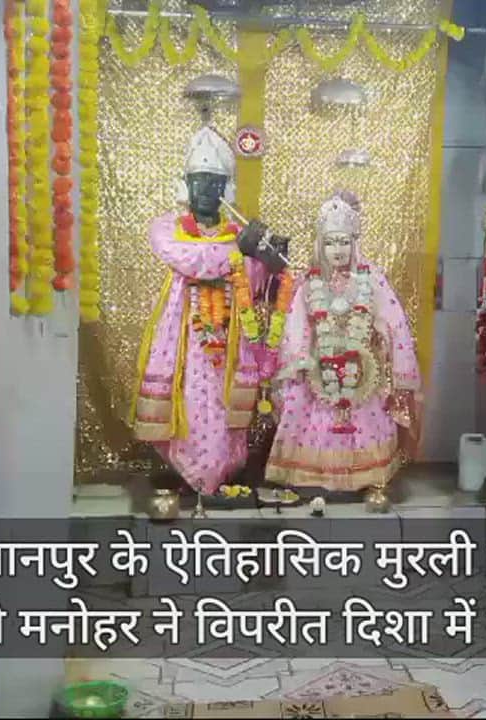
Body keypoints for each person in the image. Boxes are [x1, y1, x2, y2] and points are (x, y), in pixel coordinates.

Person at [127, 126, 287, 495]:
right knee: (192, 406)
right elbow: (192, 260)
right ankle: (194, 478)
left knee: (225, 408)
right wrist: (243, 250)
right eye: (198, 182)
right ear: (185, 185)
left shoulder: (239, 232)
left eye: (214, 183)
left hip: (233, 337)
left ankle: (221, 479)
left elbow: (257, 284)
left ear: (226, 189)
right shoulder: (168, 229)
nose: (205, 191)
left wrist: (271, 258)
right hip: (184, 340)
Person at [265, 190, 421, 496]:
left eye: (345, 242)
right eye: (331, 242)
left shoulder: (371, 278)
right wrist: (301, 361)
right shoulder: (309, 281)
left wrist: (396, 364)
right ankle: (313, 478)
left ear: (354, 244)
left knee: (365, 414)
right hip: (317, 371)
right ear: (320, 245)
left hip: (362, 370)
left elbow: (395, 324)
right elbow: (296, 327)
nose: (338, 249)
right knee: (308, 408)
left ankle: (362, 477)